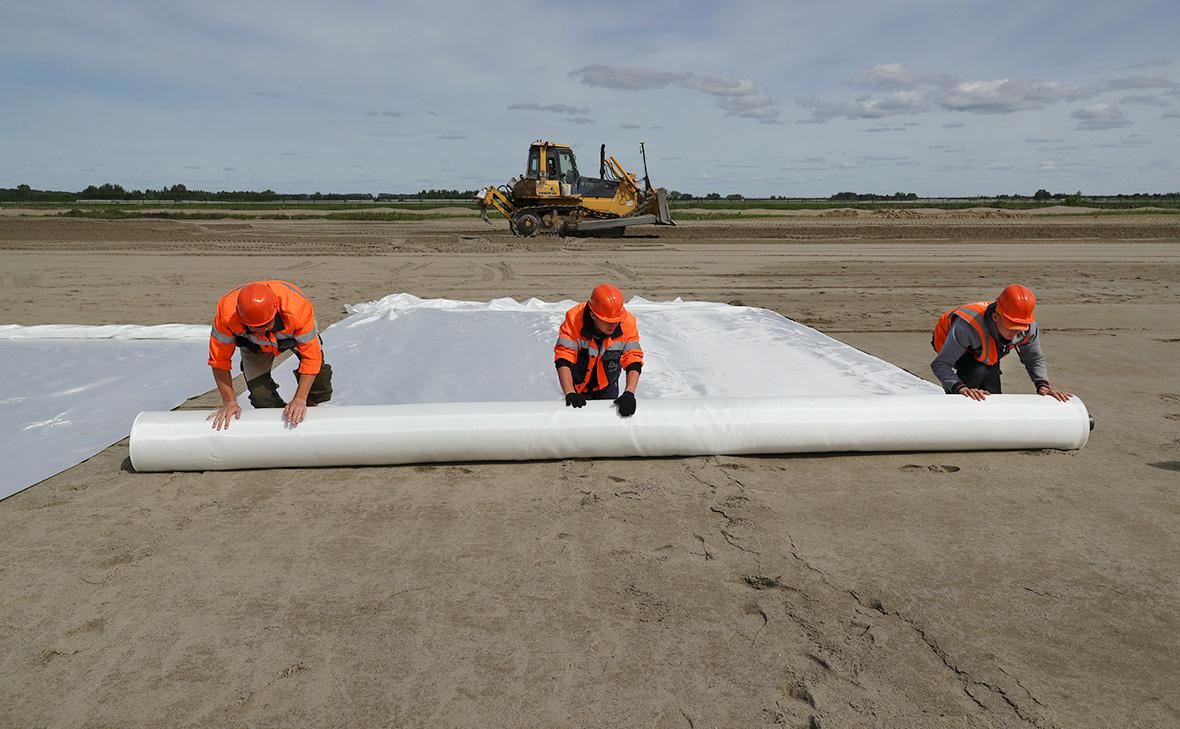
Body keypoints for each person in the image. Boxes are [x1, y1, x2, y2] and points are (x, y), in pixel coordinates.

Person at [207, 280, 333, 430]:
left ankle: (309, 407)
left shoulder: (296, 308)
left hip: (289, 336)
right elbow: (219, 362)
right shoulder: (226, 316)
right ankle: (279, 429)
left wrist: (300, 398)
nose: (260, 331)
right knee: (261, 396)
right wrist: (229, 402)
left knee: (319, 378)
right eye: (254, 327)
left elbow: (311, 358)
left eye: (265, 325)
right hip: (253, 345)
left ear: (276, 311)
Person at [931, 284, 1071, 402]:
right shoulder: (967, 327)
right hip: (948, 341)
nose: (1016, 334)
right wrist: (960, 388)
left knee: (993, 392)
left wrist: (1043, 386)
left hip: (987, 347)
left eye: (1019, 329)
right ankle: (956, 404)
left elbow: (1034, 359)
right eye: (1011, 328)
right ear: (995, 317)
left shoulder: (1027, 326)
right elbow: (940, 364)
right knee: (976, 371)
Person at [554, 284, 644, 417]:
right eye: (607, 321)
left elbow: (633, 359)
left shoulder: (627, 323)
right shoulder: (574, 320)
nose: (613, 325)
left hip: (607, 384)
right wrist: (570, 392)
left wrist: (629, 393)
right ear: (592, 315)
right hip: (577, 384)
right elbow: (563, 357)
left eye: (616, 321)